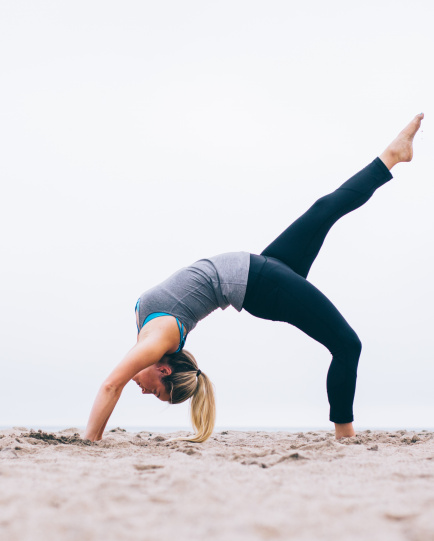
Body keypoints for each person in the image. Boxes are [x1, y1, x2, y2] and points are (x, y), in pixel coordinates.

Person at [83, 114, 424, 443]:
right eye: (153, 394)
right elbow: (116, 385)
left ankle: (392, 156)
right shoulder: (158, 338)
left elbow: (112, 385)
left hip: (260, 274)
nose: (143, 390)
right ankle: (345, 435)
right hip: (259, 283)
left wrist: (91, 440)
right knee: (347, 344)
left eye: (154, 391)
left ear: (164, 371)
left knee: (324, 210)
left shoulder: (156, 341)